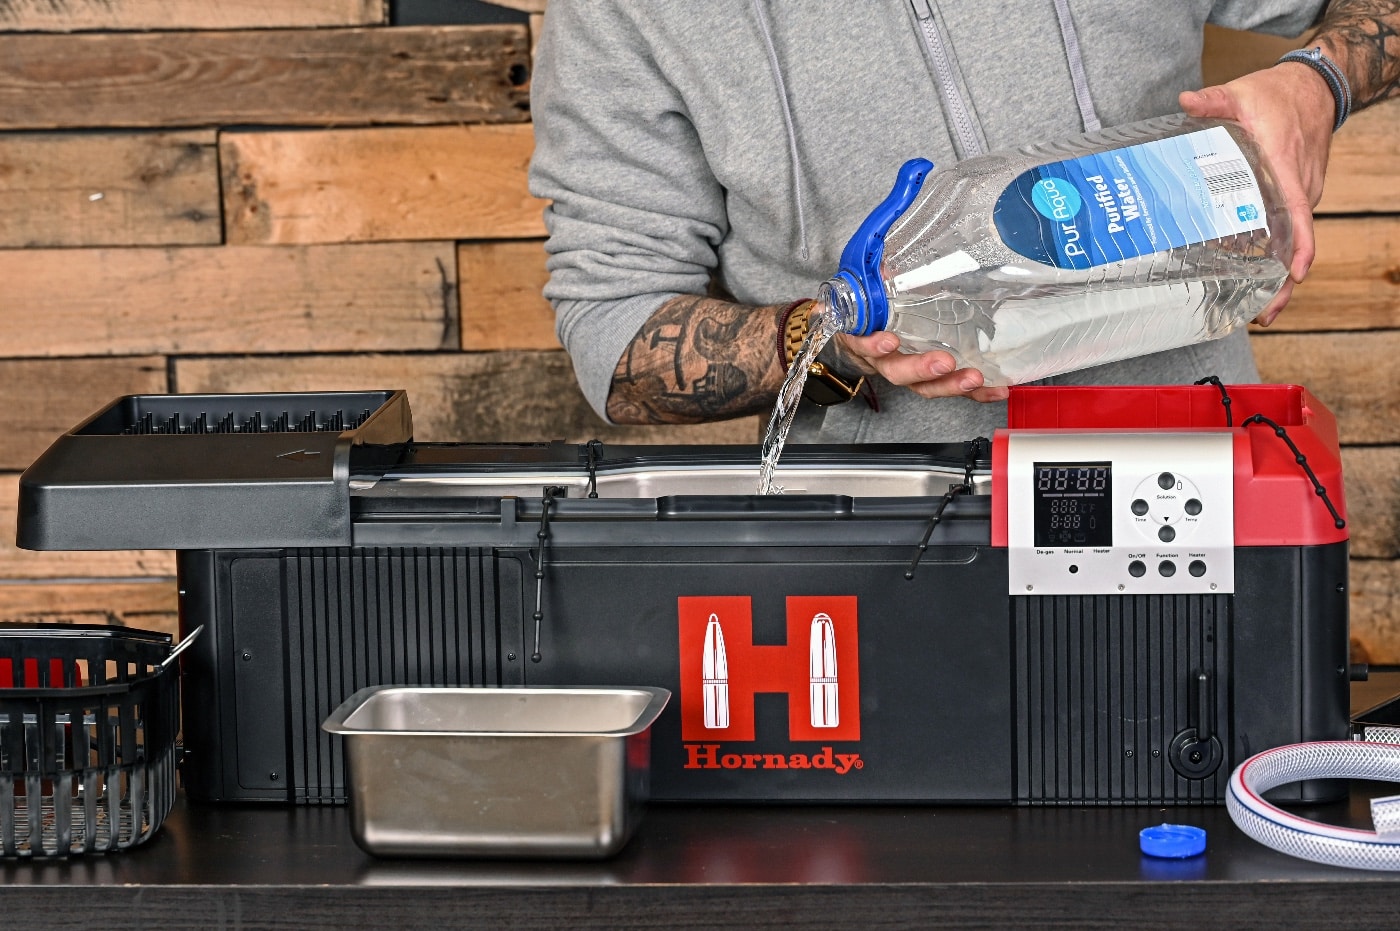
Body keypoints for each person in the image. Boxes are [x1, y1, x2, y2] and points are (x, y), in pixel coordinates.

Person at [529, 1, 1399, 444]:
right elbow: (614, 335)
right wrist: (832, 338)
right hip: (888, 549)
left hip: (1197, 489)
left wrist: (1318, 81)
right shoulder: (623, 13)